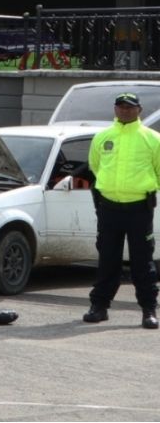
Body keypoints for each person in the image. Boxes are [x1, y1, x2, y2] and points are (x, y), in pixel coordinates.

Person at [83, 92, 160, 329]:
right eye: (121, 107)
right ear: (115, 109)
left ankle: (149, 309)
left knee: (142, 261)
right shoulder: (103, 137)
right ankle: (99, 307)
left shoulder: (152, 139)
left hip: (139, 208)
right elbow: (95, 167)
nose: (125, 110)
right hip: (109, 208)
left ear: (140, 110)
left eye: (130, 107)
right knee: (108, 258)